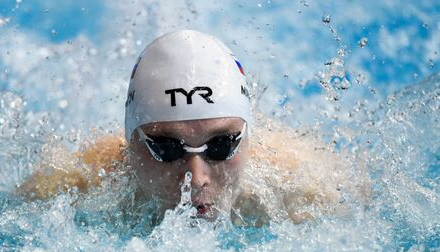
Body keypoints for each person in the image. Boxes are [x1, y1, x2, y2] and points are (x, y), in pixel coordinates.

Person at [18, 30, 369, 227]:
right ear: (130, 145)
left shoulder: (310, 188)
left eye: (221, 145)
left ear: (248, 138)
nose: (195, 177)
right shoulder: (70, 188)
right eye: (166, 149)